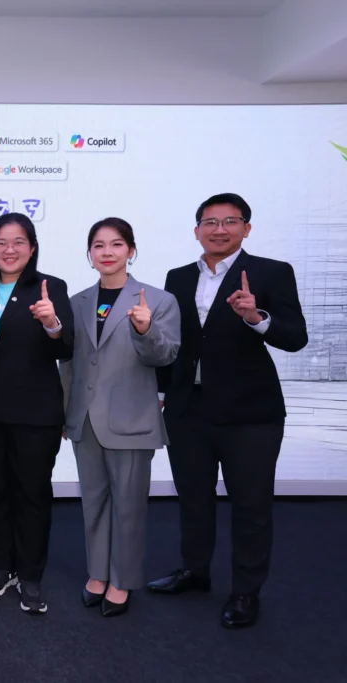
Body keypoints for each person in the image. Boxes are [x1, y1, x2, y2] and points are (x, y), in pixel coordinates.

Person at [148, 193, 308, 629]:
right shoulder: (178, 277)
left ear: (246, 228)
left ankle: (245, 592)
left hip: (250, 413)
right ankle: (194, 571)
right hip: (188, 408)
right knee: (193, 499)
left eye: (230, 221)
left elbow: (296, 337)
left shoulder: (272, 272)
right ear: (196, 229)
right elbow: (176, 341)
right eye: (210, 222)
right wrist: (162, 391)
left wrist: (256, 317)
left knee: (251, 506)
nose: (219, 229)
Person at [60, 218, 181, 617]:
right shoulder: (77, 301)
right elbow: (69, 364)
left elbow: (165, 356)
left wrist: (145, 330)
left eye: (116, 244)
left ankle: (122, 580)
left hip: (131, 420)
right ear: (89, 253)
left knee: (128, 506)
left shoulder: (158, 301)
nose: (107, 252)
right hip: (85, 419)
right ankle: (97, 573)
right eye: (98, 245)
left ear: (131, 250)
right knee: (93, 502)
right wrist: (65, 413)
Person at [0, 213, 74, 614]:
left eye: (18, 242)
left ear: (32, 248)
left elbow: (65, 348)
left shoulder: (49, 288)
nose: (9, 250)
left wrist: (52, 323)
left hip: (35, 414)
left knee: (32, 495)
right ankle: (2, 566)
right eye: (1, 243)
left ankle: (30, 574)